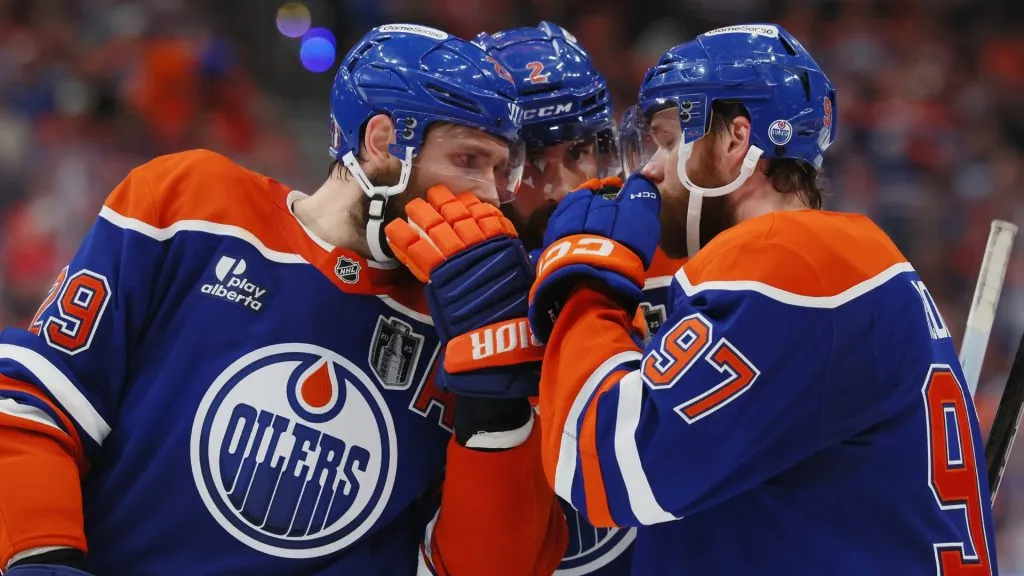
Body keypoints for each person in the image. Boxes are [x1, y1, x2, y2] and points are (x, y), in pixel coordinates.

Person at [0, 23, 566, 576]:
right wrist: (39, 553)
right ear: (382, 141)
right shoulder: (189, 205)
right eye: (469, 160)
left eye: (500, 169)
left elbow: (490, 565)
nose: (491, 195)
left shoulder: (486, 317)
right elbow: (37, 401)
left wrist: (498, 403)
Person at [526, 23, 998, 574]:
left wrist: (585, 289)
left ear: (735, 141)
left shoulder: (785, 261)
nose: (650, 170)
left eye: (668, 139)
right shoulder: (837, 258)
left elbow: (612, 466)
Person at [472, 21, 684, 575]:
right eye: (531, 161)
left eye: (584, 150)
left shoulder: (676, 262)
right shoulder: (436, 281)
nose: (565, 186)